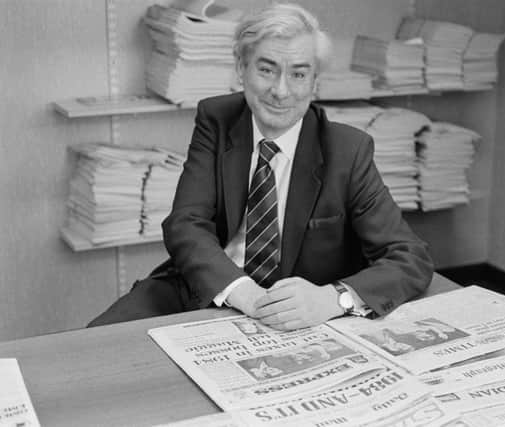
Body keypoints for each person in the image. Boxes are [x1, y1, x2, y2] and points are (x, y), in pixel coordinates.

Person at [88, 3, 433, 330]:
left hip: (301, 309)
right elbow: (185, 223)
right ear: (241, 69)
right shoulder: (217, 120)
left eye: (298, 74)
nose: (281, 91)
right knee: (94, 343)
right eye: (267, 70)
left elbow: (409, 256)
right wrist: (244, 292)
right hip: (212, 285)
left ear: (315, 83)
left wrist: (334, 298)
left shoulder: (347, 150)